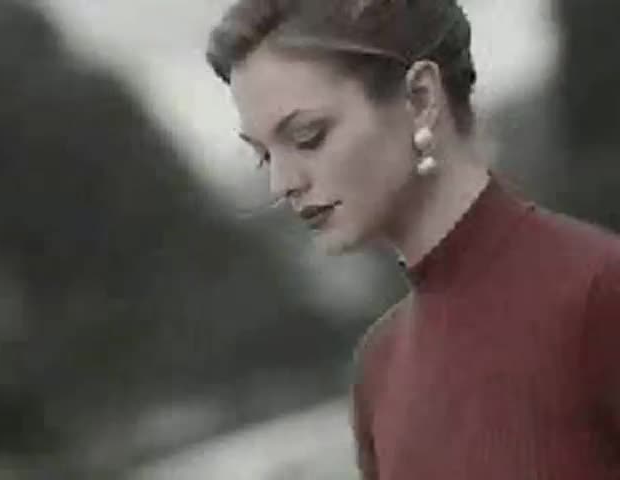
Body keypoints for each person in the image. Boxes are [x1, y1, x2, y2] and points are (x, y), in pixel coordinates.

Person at [205, 0, 620, 478]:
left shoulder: (599, 296)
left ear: (421, 99)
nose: (281, 183)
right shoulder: (379, 368)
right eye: (263, 155)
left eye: (308, 136)